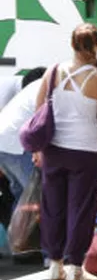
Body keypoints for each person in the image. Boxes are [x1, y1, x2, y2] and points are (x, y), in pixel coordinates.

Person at [38, 24, 97, 280]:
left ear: (72, 45)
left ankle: (54, 264)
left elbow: (39, 111)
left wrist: (38, 149)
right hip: (85, 152)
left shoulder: (52, 73)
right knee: (80, 209)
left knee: (53, 206)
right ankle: (75, 267)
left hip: (53, 149)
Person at [0, 67, 46, 204]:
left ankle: (14, 225)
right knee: (35, 195)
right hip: (15, 146)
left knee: (21, 194)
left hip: (7, 145)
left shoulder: (29, 88)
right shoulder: (5, 90)